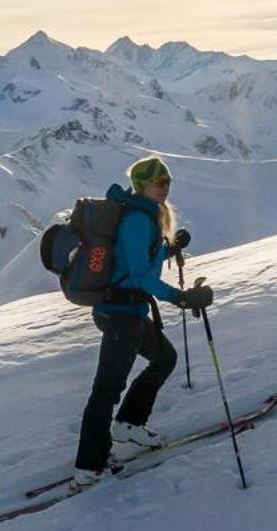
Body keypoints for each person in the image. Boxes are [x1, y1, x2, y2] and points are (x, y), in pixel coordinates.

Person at [71, 154, 213, 489]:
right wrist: (180, 298)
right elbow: (137, 275)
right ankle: (89, 467)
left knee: (164, 358)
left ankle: (128, 425)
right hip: (120, 314)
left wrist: (168, 249)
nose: (164, 188)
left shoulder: (146, 216)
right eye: (158, 182)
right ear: (142, 185)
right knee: (106, 389)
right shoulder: (138, 219)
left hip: (128, 313)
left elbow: (138, 260)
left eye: (167, 182)